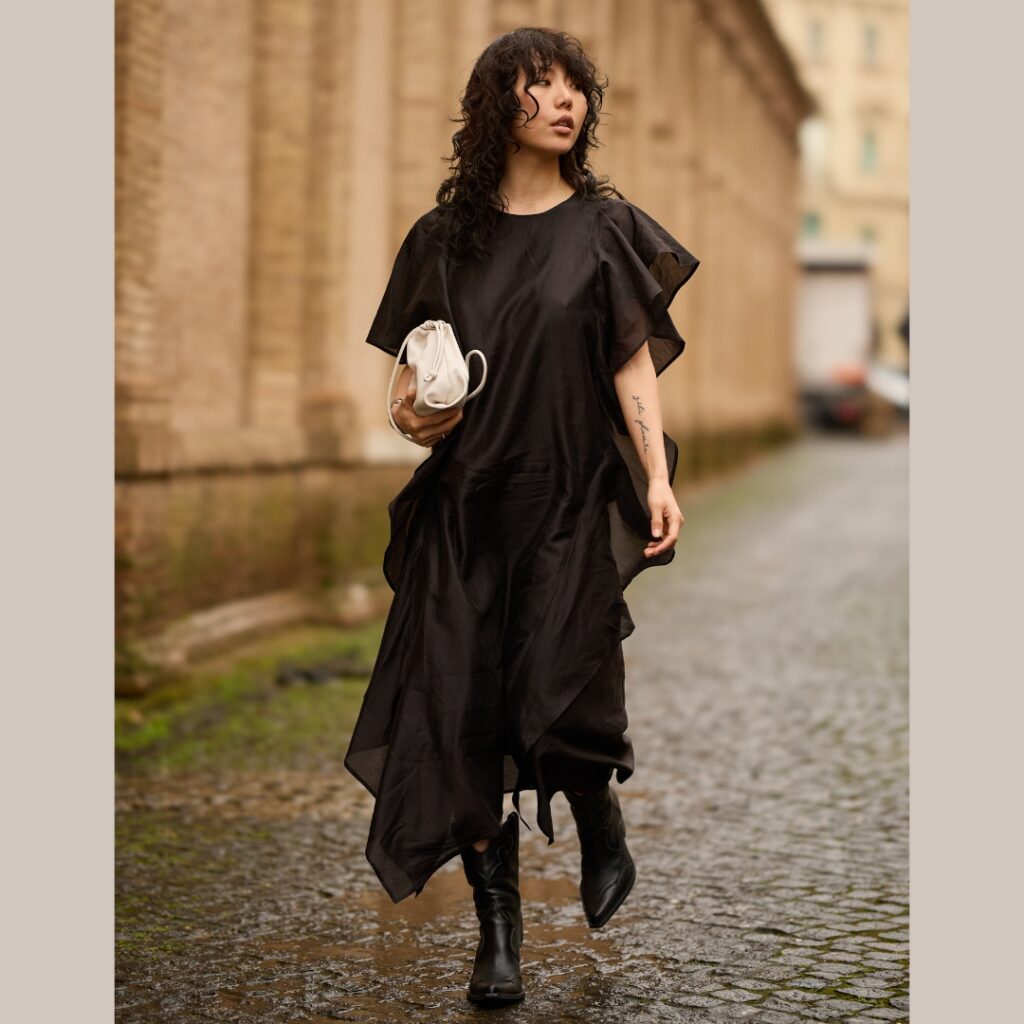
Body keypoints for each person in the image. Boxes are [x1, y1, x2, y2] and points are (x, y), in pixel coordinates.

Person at [344, 26, 700, 1007]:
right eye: (538, 86)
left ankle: (599, 816)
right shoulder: (442, 237)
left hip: (570, 493)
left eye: (574, 86)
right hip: (465, 506)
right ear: (495, 103)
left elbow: (629, 357)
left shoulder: (605, 228)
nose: (562, 100)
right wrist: (418, 411)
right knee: (459, 714)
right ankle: (496, 932)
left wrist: (654, 476)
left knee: (568, 679)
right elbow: (406, 390)